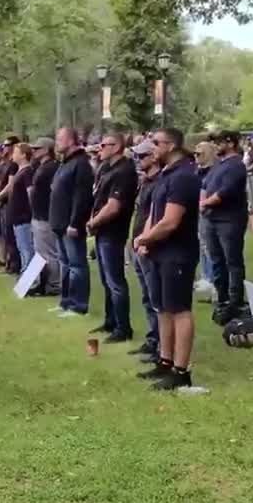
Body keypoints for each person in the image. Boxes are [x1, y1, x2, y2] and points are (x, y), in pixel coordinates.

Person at [134, 128, 200, 390]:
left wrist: (145, 239)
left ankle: (181, 371)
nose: (152, 149)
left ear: (171, 145)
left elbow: (171, 221)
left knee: (179, 310)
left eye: (157, 143)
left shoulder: (184, 176)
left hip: (178, 253)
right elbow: (154, 213)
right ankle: (165, 360)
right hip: (159, 251)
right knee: (162, 308)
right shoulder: (165, 174)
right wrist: (146, 239)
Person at [86, 133, 138, 343]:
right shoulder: (106, 168)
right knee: (106, 280)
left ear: (117, 147)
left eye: (105, 144)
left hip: (113, 231)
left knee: (115, 281)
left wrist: (93, 222)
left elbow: (113, 206)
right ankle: (111, 320)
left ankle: (123, 327)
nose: (100, 148)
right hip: (102, 230)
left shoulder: (125, 171)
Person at [201, 131, 248, 325]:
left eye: (219, 142)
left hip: (229, 220)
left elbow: (225, 192)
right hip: (212, 219)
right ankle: (222, 298)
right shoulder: (218, 165)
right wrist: (203, 201)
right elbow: (204, 185)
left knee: (232, 262)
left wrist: (205, 204)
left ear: (230, 143)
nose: (216, 145)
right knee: (216, 260)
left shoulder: (237, 165)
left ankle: (235, 301)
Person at [49, 127, 93, 318]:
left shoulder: (81, 164)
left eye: (60, 139)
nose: (56, 143)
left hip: (71, 224)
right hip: (59, 222)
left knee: (77, 265)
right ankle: (66, 301)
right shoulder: (64, 163)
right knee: (65, 264)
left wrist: (75, 222)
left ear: (72, 141)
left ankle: (78, 304)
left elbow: (82, 197)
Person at [127, 140, 161, 361]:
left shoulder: (159, 182)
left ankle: (160, 344)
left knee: (156, 298)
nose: (138, 161)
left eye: (142, 156)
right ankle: (152, 339)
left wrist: (146, 242)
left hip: (149, 247)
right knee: (147, 298)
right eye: (136, 157)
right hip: (137, 244)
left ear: (153, 156)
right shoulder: (146, 182)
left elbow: (156, 218)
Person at [0, 143, 35, 276]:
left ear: (23, 155)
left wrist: (31, 212)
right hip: (16, 216)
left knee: (26, 248)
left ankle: (29, 277)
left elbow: (30, 193)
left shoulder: (28, 171)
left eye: (16, 152)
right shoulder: (20, 171)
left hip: (23, 216)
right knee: (21, 246)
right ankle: (25, 273)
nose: (13, 155)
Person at [28, 137, 61, 297]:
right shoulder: (41, 167)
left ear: (47, 150)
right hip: (38, 214)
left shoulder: (52, 168)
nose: (33, 151)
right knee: (41, 252)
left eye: (37, 148)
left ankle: (54, 284)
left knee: (49, 253)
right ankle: (42, 282)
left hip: (45, 215)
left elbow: (55, 192)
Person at [193, 141, 219, 300]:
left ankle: (213, 279)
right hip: (198, 211)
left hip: (209, 213)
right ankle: (206, 276)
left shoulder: (213, 172)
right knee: (201, 245)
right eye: (195, 154)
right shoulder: (198, 171)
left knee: (209, 247)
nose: (196, 157)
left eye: (199, 154)